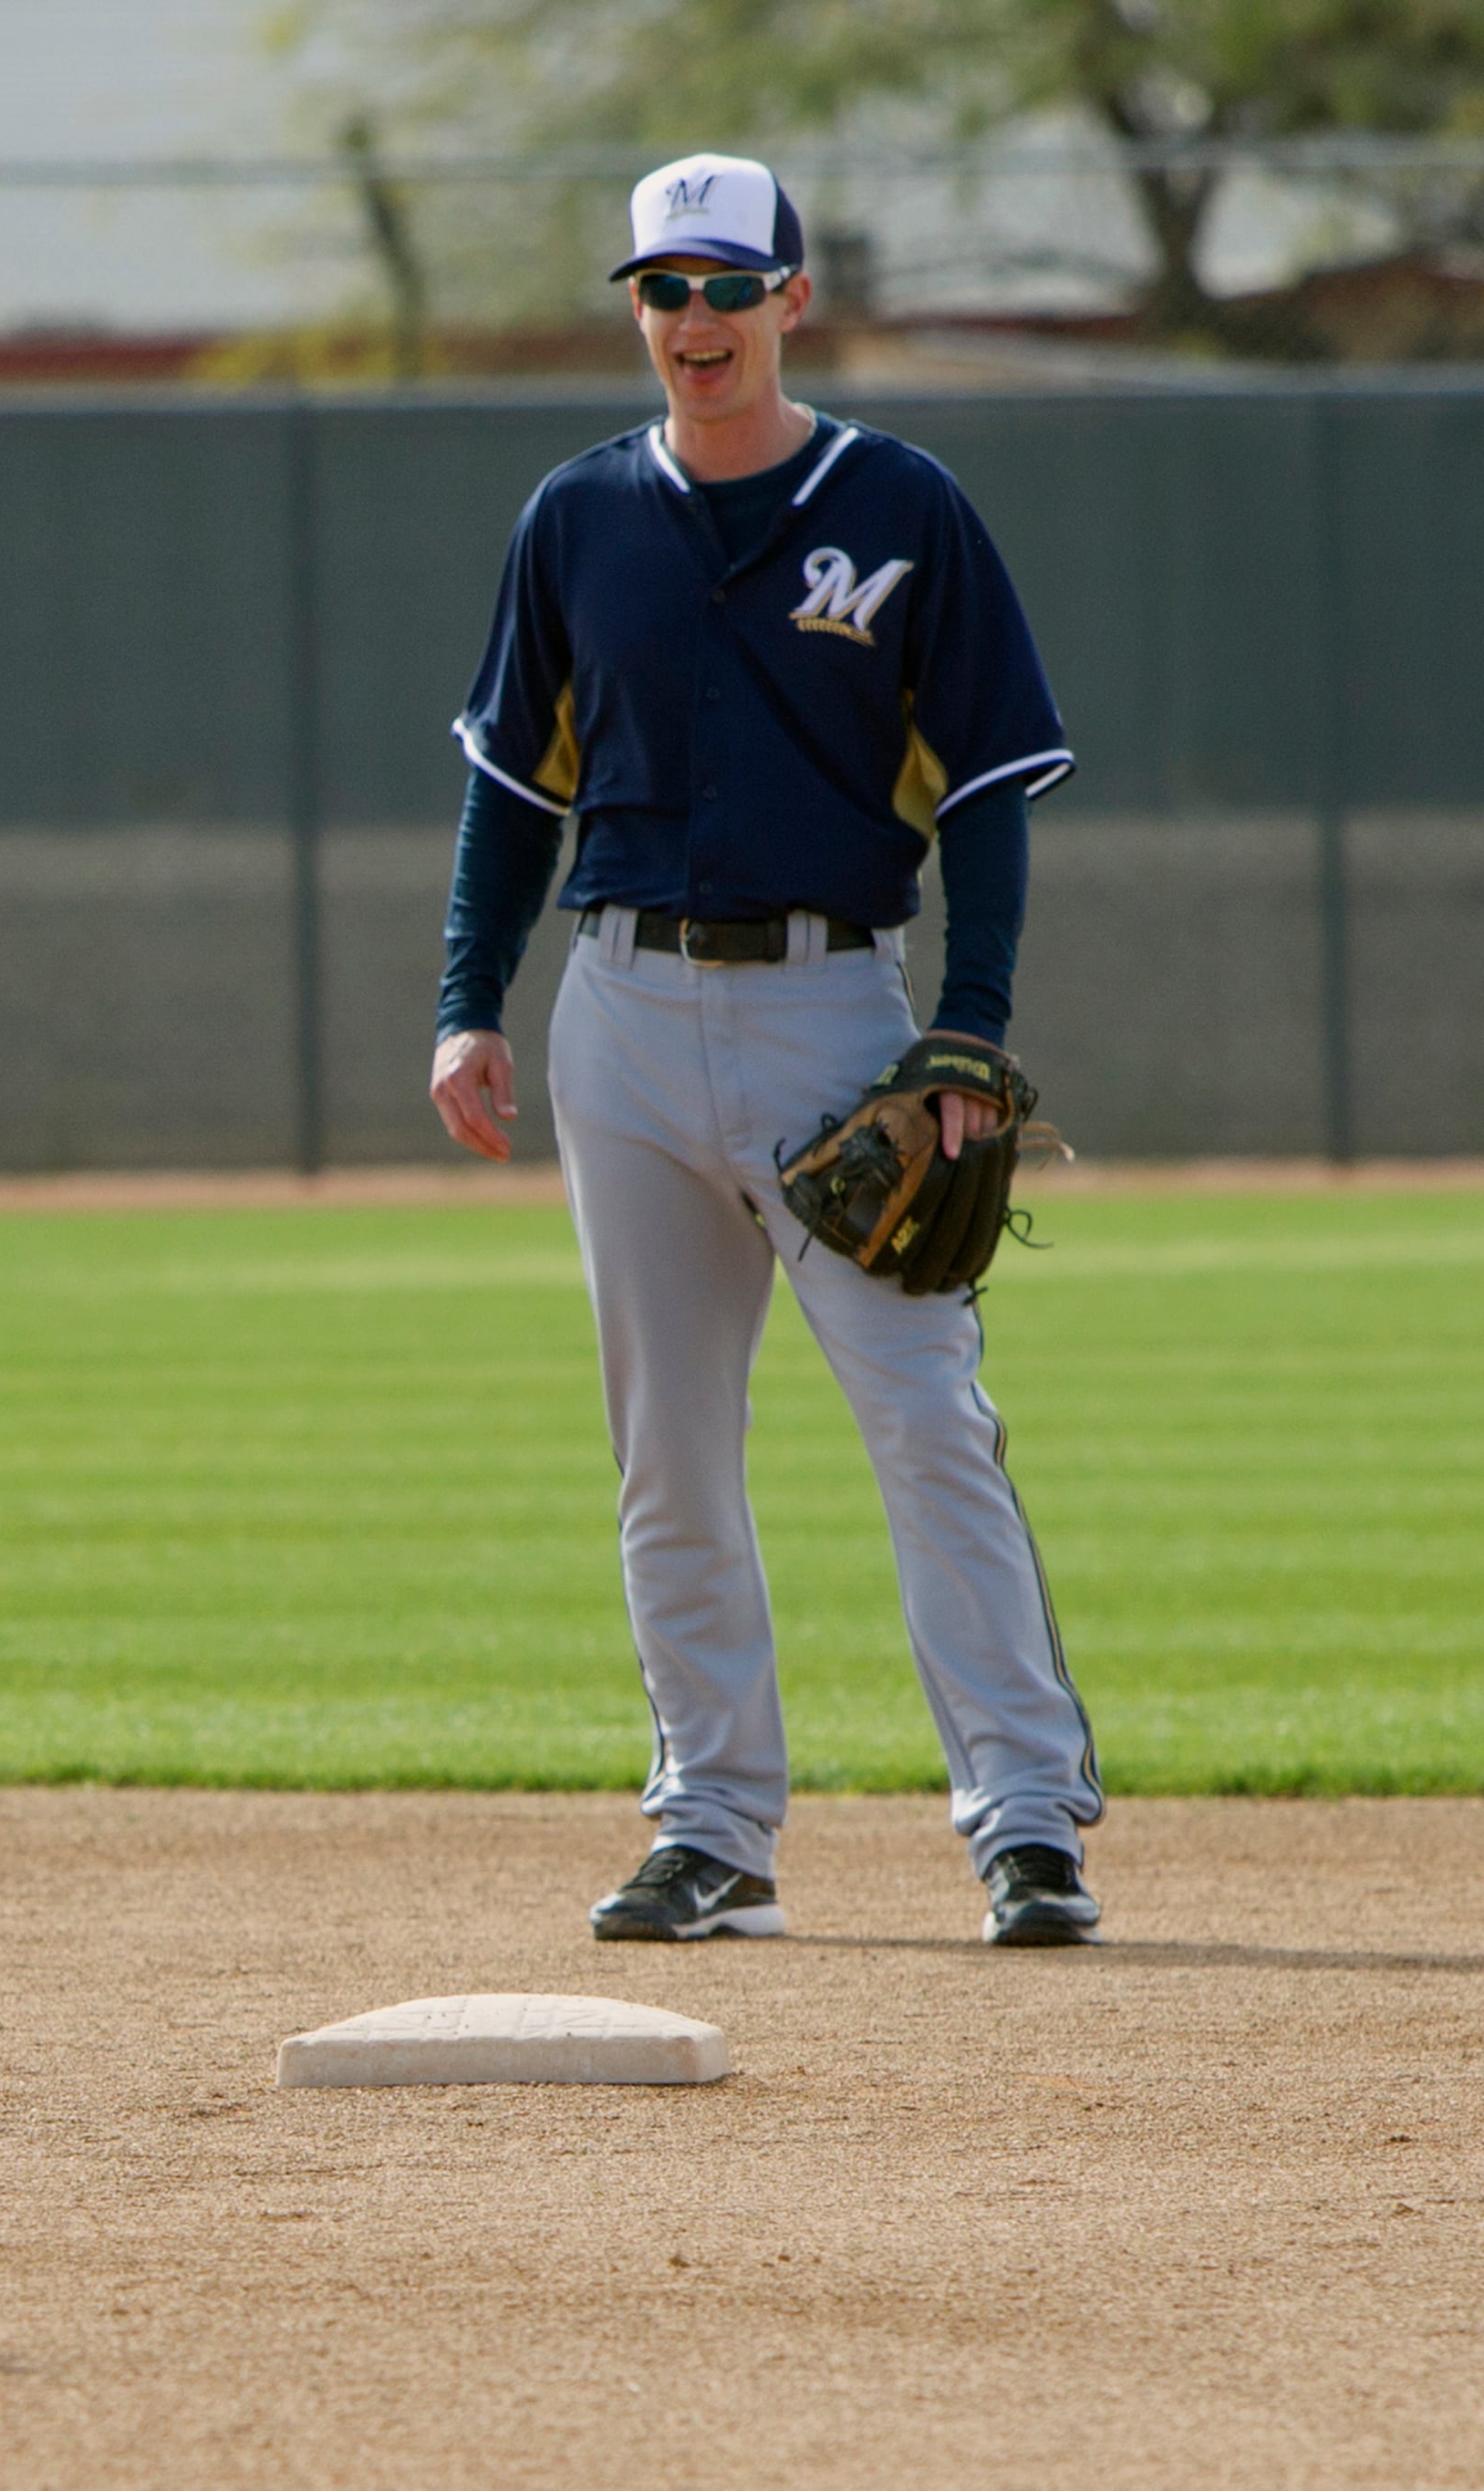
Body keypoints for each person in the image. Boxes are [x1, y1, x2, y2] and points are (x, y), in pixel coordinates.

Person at [428, 157, 1104, 1947]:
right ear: (639, 309)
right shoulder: (575, 516)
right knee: (670, 1448)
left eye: (732, 286)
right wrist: (463, 1001)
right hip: (624, 1015)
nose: (698, 321)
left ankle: (1029, 1819)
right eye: (667, 288)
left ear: (795, 298)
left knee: (927, 1418)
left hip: (832, 1014)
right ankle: (711, 1826)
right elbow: (512, 795)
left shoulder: (900, 504)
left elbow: (989, 793)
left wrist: (970, 1022)